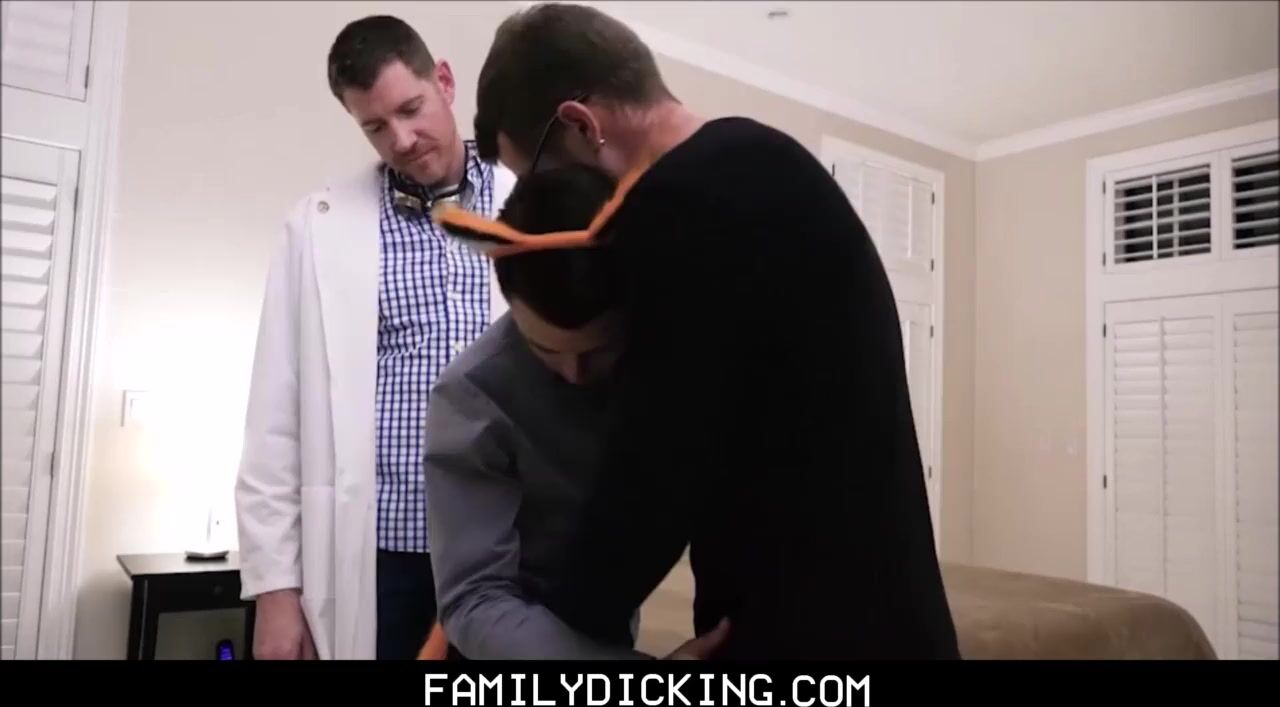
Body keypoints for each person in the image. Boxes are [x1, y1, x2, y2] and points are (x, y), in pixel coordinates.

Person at [443, 2, 961, 659]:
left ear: (581, 124)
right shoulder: (766, 161)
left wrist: (570, 643)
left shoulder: (677, 209)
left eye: (541, 179)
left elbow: (652, 477)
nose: (549, 214)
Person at [234, 15, 514, 660]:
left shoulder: (532, 201)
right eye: (375, 127)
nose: (402, 139)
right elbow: (274, 420)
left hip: (506, 552)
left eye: (410, 109)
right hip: (385, 556)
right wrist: (275, 590)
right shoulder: (317, 227)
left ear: (444, 81)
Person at [423, 165, 728, 660]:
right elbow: (473, 601)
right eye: (545, 350)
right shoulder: (472, 395)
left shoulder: (676, 353)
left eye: (598, 350)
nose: (574, 373)